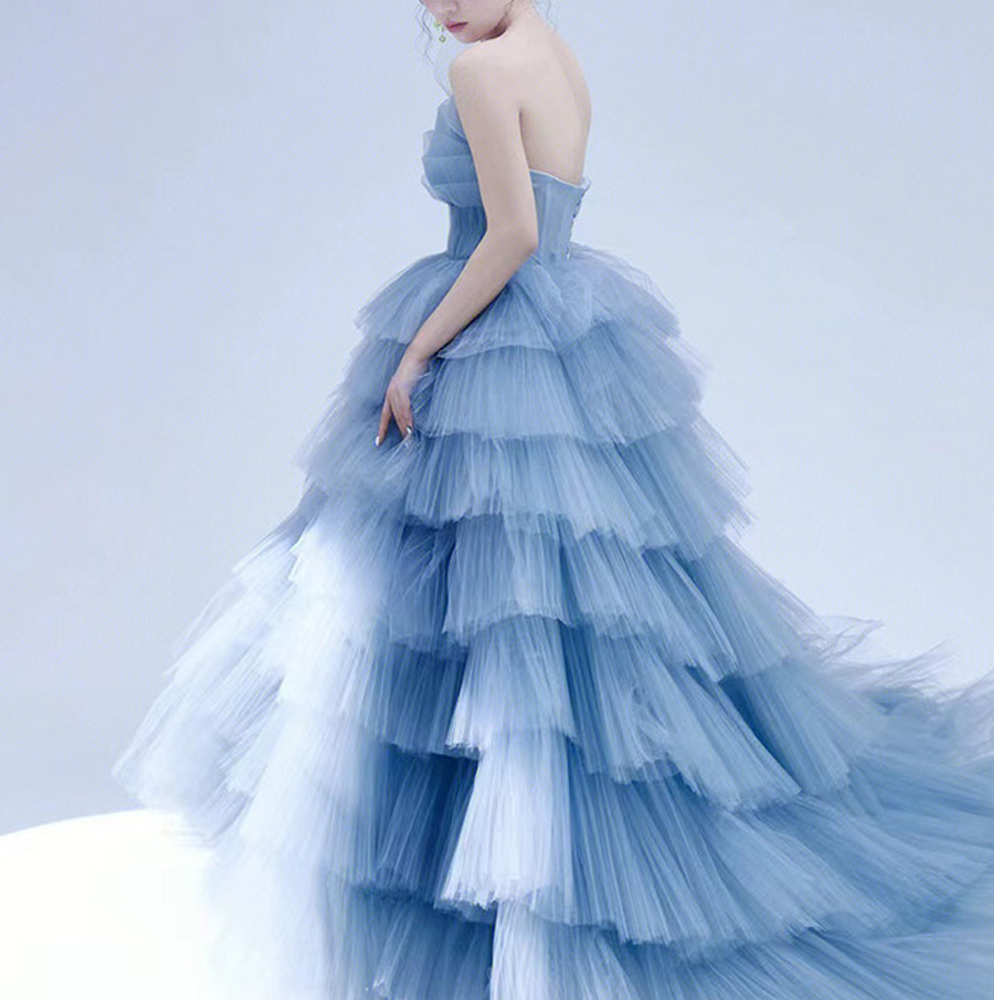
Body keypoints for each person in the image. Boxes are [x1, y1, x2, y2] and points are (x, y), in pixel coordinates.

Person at [112, 2, 994, 998]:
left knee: (466, 612)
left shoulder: (481, 72)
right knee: (562, 615)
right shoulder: (553, 55)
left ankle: (513, 871)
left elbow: (514, 234)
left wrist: (417, 349)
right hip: (561, 341)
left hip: (495, 337)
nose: (442, 6)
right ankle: (545, 852)